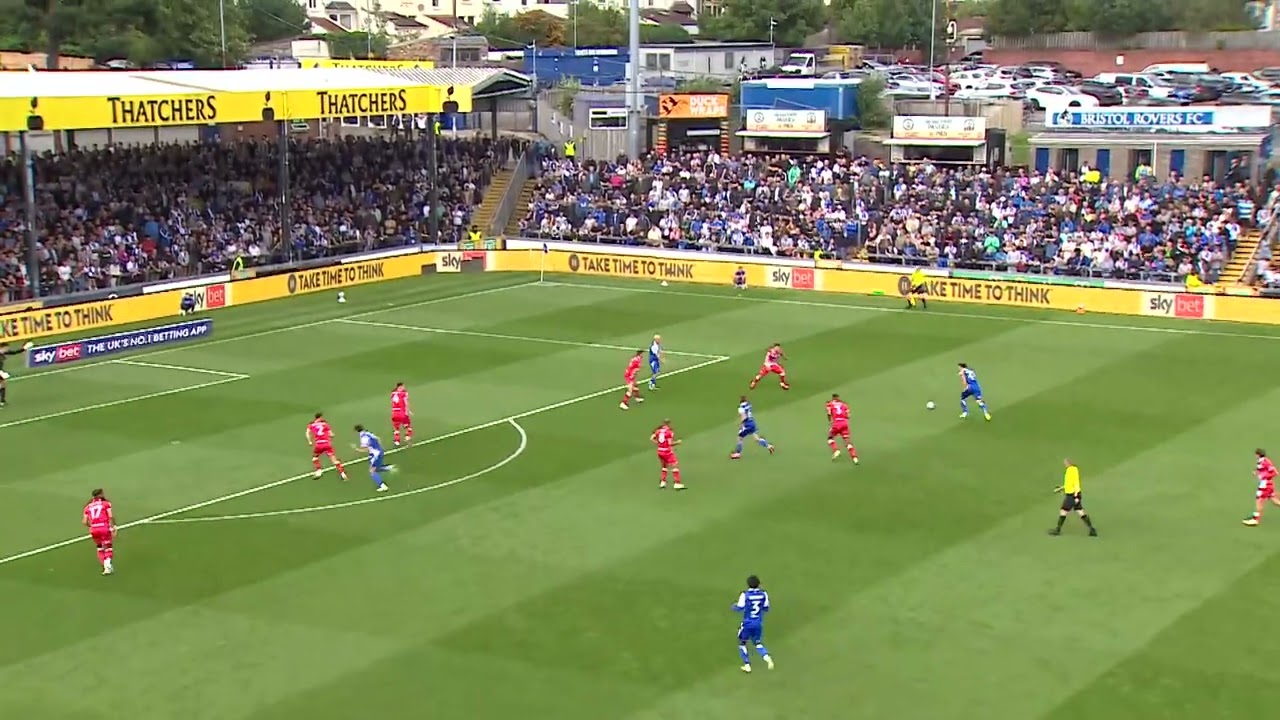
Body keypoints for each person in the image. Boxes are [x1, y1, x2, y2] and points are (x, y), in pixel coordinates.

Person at [732, 575, 774, 673]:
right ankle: (767, 658)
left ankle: (747, 665)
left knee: (742, 643)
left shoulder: (745, 594)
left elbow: (740, 607)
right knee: (757, 643)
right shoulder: (764, 594)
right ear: (759, 584)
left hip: (747, 623)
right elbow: (766, 608)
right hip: (758, 623)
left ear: (748, 584)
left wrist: (733, 607)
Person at [1050, 458, 1097, 536]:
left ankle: (1057, 530)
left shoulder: (1071, 471)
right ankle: (1092, 529)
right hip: (1074, 494)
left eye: (1065, 463)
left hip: (1072, 495)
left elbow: (1075, 484)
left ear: (1069, 463)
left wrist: (1076, 496)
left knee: (1063, 511)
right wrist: (1061, 488)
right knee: (1080, 511)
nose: (1064, 464)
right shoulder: (1073, 470)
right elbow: (1069, 484)